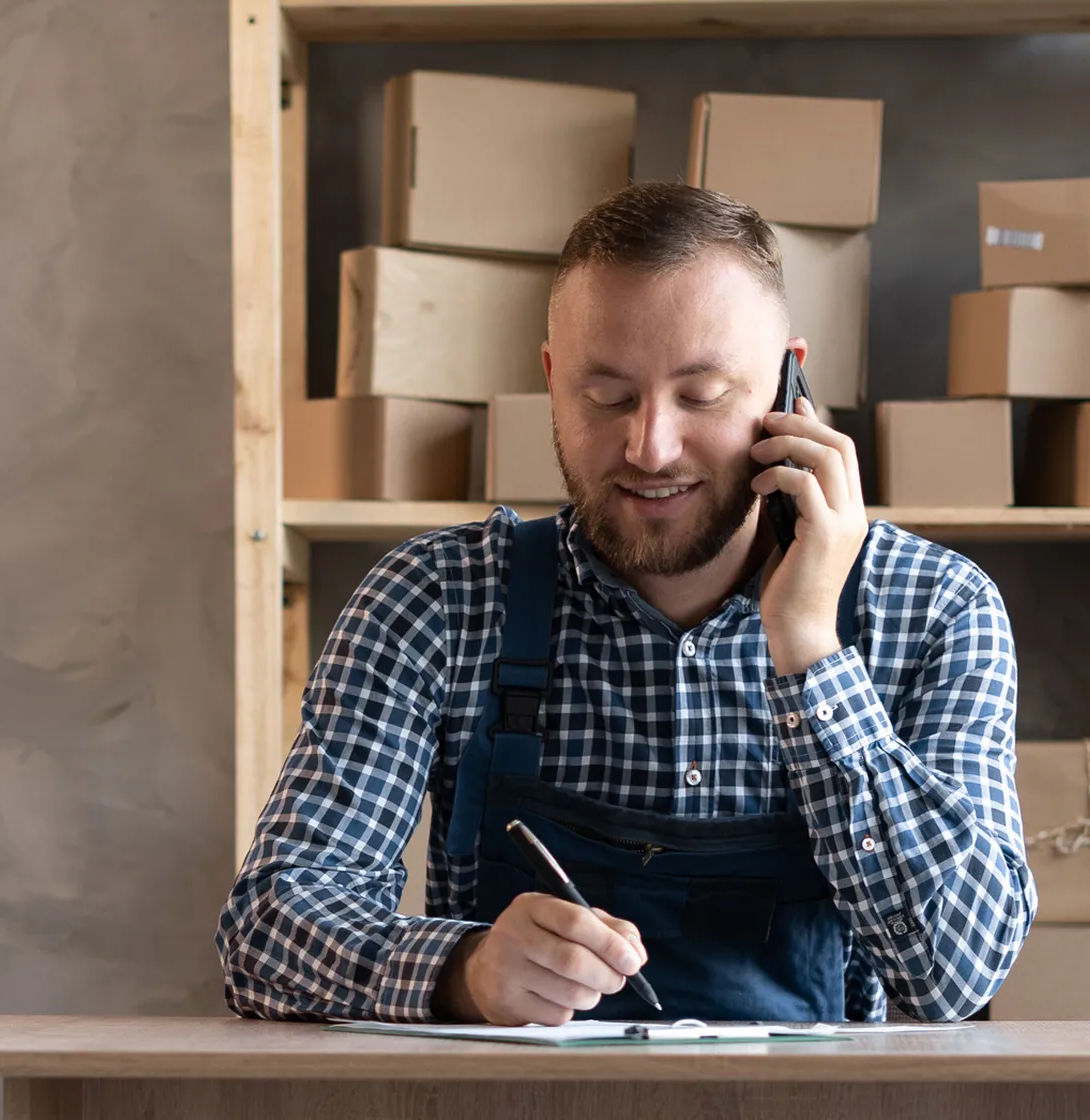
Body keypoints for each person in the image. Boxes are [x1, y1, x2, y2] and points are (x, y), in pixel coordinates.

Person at [216, 183, 1036, 1026]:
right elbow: (268, 934)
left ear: (792, 386)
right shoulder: (437, 600)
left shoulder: (937, 607)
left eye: (704, 395)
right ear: (550, 382)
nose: (651, 446)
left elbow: (956, 976)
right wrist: (463, 972)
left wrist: (811, 650)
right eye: (606, 397)